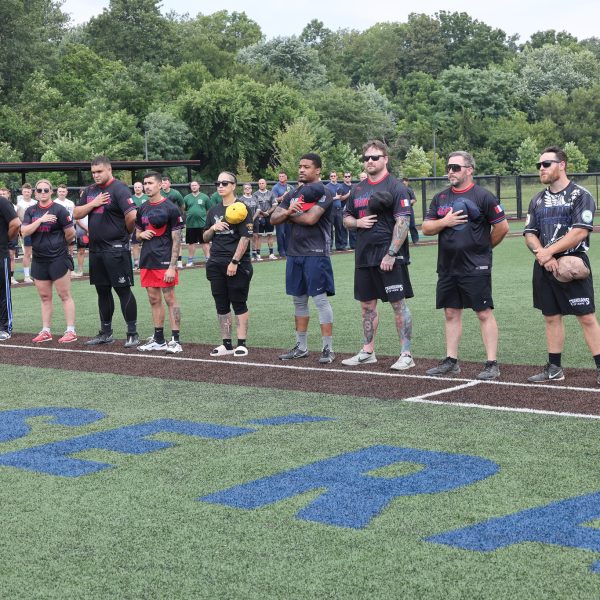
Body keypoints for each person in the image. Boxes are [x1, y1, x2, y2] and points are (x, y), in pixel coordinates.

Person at [421, 150, 508, 380]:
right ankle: (451, 361)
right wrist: (445, 221)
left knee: (483, 312)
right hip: (448, 266)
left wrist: (484, 248)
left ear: (469, 169)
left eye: (456, 167)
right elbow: (426, 228)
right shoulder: (440, 198)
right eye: (448, 167)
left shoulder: (484, 196)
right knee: (451, 312)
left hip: (475, 266)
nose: (450, 171)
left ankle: (492, 363)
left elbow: (502, 227)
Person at [524, 146, 600, 383]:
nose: (541, 169)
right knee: (551, 316)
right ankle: (554, 368)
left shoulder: (581, 195)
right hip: (544, 265)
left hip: (573, 265)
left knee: (586, 317)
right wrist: (542, 254)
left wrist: (549, 253)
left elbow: (579, 233)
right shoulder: (537, 200)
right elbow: (529, 233)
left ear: (562, 165)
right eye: (539, 165)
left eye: (546, 164)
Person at [342, 140, 415, 370]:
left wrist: (391, 253)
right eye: (366, 158)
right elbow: (346, 219)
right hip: (364, 256)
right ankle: (367, 351)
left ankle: (406, 354)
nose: (370, 162)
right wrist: (357, 222)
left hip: (389, 256)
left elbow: (403, 222)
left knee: (397, 304)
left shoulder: (396, 187)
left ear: (385, 159)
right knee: (366, 306)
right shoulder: (358, 189)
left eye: (374, 157)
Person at [271, 153, 336, 364]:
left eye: (306, 166)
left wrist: (287, 215)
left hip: (316, 253)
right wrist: (288, 210)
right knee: (298, 301)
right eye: (300, 166)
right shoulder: (294, 193)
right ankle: (302, 346)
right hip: (294, 253)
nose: (301, 170)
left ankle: (328, 348)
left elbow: (310, 219)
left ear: (318, 170)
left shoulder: (325, 192)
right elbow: (273, 218)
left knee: (320, 300)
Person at [74, 155, 139, 347]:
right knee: (102, 291)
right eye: (93, 172)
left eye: (99, 171)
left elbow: (132, 216)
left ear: (109, 169)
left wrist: (125, 233)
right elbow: (76, 213)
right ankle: (106, 332)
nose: (96, 175)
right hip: (96, 250)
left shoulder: (119, 188)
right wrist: (93, 204)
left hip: (115, 250)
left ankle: (132, 333)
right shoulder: (90, 191)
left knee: (122, 290)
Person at [21, 180, 77, 343]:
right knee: (45, 296)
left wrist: (59, 246)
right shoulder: (31, 211)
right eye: (40, 190)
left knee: (64, 295)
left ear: (51, 191)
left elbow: (70, 233)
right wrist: (40, 220)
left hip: (58, 258)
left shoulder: (59, 210)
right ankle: (46, 331)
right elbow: (24, 232)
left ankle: (71, 331)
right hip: (39, 259)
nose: (43, 192)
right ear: (35, 192)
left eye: (46, 190)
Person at [203, 172, 253, 357]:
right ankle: (226, 344)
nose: (220, 186)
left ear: (233, 186)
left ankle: (241, 343)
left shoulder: (242, 208)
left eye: (225, 183)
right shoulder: (213, 210)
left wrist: (234, 262)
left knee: (238, 302)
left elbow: (245, 238)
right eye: (218, 183)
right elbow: (205, 237)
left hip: (236, 264)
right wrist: (212, 228)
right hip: (215, 262)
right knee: (221, 303)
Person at [135, 171, 184, 353]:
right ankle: (158, 339)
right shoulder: (142, 208)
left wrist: (173, 266)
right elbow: (137, 234)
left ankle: (175, 340)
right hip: (147, 259)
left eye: (150, 183)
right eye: (144, 183)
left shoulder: (171, 208)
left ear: (160, 185)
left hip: (165, 261)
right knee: (153, 299)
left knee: (170, 298)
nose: (146, 186)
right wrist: (141, 235)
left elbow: (177, 239)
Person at [0, 189, 20, 339]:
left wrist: (5, 240)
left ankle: (5, 327)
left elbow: (15, 223)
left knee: (3, 293)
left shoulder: (3, 202)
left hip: (1, 254)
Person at [183, 180, 212, 266]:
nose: (194, 187)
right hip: (190, 225)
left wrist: (205, 219)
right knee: (191, 243)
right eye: (192, 186)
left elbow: (209, 210)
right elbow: (185, 209)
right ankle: (190, 261)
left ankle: (208, 260)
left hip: (202, 224)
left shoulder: (205, 197)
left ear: (199, 186)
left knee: (205, 242)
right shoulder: (186, 198)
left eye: (195, 185)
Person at [161, 176, 185, 268]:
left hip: (175, 219)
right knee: (165, 240)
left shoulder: (176, 193)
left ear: (169, 184)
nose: (164, 184)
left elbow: (182, 205)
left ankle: (179, 261)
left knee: (177, 239)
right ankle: (166, 260)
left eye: (165, 183)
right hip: (163, 220)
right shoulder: (159, 193)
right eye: (162, 183)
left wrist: (179, 214)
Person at [253, 178, 278, 260]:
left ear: (266, 184)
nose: (261, 184)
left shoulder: (271, 193)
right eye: (260, 183)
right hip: (259, 217)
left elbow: (274, 205)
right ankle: (258, 255)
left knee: (270, 235)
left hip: (269, 217)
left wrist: (268, 212)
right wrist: (261, 214)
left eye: (263, 183)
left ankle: (271, 254)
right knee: (258, 236)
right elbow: (255, 206)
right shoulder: (255, 194)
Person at [16, 183, 36, 283]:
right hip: (27, 231)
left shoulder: (36, 202)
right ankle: (27, 276)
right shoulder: (19, 205)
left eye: (28, 191)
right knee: (27, 253)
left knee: (39, 252)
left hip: (37, 230)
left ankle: (38, 274)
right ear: (22, 192)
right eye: (25, 192)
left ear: (31, 192)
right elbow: (17, 219)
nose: (27, 193)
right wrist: (20, 229)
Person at [271, 172, 293, 258]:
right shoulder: (275, 187)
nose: (281, 177)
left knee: (289, 232)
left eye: (283, 176)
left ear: (286, 177)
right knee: (280, 233)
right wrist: (282, 197)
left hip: (289, 212)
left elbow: (295, 197)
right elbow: (274, 200)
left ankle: (288, 250)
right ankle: (281, 251)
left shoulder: (290, 187)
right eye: (279, 176)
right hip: (279, 212)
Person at [1, 187, 19, 286]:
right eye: (1, 193)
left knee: (11, 255)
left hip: (8, 236)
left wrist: (7, 238)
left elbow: (16, 223)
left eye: (4, 193)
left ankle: (11, 276)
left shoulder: (11, 205)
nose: (2, 195)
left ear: (8, 194)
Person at [325, 171, 347, 251]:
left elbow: (342, 197)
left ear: (337, 177)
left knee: (339, 228)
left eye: (334, 176)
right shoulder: (327, 187)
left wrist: (348, 194)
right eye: (331, 176)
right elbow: (326, 199)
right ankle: (329, 246)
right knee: (329, 229)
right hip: (330, 210)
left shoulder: (340, 186)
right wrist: (336, 197)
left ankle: (340, 246)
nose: (333, 177)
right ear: (330, 177)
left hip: (339, 209)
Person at [54, 184, 76, 263]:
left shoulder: (71, 203)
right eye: (60, 191)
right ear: (57, 192)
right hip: (58, 229)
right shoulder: (54, 203)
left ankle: (71, 266)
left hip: (69, 228)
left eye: (63, 191)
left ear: (66, 192)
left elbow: (74, 216)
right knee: (59, 248)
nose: (61, 193)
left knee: (70, 249)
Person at [130, 181, 148, 270]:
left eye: (139, 187)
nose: (137, 188)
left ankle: (147, 261)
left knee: (148, 243)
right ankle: (136, 263)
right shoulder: (131, 198)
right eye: (135, 187)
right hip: (135, 224)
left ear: (142, 188)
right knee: (135, 244)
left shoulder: (147, 197)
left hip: (147, 224)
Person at [402, 177, 420, 244]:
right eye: (403, 181)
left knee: (412, 225)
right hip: (401, 210)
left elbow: (414, 200)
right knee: (402, 226)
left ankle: (415, 240)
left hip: (409, 209)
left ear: (408, 182)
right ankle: (403, 242)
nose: (404, 182)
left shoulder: (409, 190)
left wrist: (406, 203)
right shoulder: (398, 190)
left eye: (406, 181)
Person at [338, 172, 353, 249]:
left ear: (351, 177)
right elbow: (340, 198)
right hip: (343, 209)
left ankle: (353, 245)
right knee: (343, 227)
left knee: (353, 227)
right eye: (345, 176)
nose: (347, 177)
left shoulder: (354, 186)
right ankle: (343, 245)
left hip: (352, 210)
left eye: (348, 176)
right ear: (343, 178)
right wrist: (348, 194)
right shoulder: (341, 187)